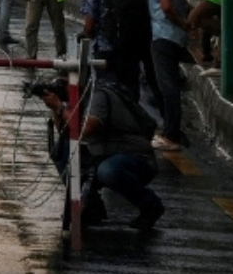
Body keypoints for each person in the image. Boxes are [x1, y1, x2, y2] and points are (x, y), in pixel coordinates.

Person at [38, 72, 164, 230]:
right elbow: (66, 134)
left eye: (62, 82)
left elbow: (85, 129)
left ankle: (151, 205)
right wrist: (57, 110)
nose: (60, 86)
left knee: (108, 171)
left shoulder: (98, 95)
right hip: (102, 155)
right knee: (62, 151)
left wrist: (59, 107)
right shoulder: (76, 99)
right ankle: (92, 207)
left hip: (135, 157)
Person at [147, 0, 192, 150]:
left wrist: (181, 22)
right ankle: (171, 129)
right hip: (175, 35)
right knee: (170, 84)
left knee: (167, 86)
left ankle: (171, 134)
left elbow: (166, 5)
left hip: (163, 32)